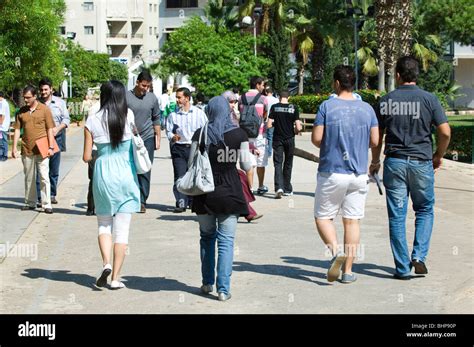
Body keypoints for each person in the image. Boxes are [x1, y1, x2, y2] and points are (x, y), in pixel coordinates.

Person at [370, 56, 451, 280]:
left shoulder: (386, 100)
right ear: (416, 75)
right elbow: (445, 132)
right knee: (424, 209)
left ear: (397, 75)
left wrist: (375, 162)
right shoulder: (430, 99)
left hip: (394, 162)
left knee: (397, 216)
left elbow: (377, 138)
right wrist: (438, 155)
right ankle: (419, 256)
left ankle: (403, 269)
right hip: (421, 162)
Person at [312, 65, 379, 284]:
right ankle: (348, 271)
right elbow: (375, 141)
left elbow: (316, 139)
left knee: (323, 217)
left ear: (337, 83)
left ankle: (335, 252)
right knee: (352, 222)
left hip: (332, 171)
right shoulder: (367, 109)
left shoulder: (326, 106)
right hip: (359, 174)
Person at [191, 96, 253, 301]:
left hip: (203, 193)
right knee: (226, 241)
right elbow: (245, 165)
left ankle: (207, 282)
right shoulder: (239, 134)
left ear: (209, 111)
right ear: (227, 111)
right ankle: (223, 290)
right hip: (230, 192)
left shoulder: (200, 134)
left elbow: (192, 162)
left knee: (207, 238)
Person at [83, 80, 140, 289]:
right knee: (122, 230)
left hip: (103, 174)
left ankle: (105, 263)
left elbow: (86, 156)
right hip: (125, 173)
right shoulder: (129, 115)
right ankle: (116, 278)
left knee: (104, 224)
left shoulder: (92, 119)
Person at [12, 85, 55, 214]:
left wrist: (51, 146)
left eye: (28, 97)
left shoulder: (45, 110)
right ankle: (30, 202)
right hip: (27, 149)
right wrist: (14, 147)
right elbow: (17, 129)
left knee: (44, 176)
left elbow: (50, 129)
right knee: (29, 177)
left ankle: (46, 204)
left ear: (35, 96)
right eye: (25, 97)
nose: (26, 100)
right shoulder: (22, 111)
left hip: (42, 149)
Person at [166, 87, 207, 213]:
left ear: (187, 98)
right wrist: (173, 137)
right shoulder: (173, 115)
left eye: (179, 97)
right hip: (178, 148)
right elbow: (168, 130)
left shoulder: (199, 113)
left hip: (194, 148)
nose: (177, 100)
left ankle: (193, 201)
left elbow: (205, 129)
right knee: (179, 175)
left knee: (194, 175)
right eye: (176, 97)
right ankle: (181, 202)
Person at [126, 70, 161, 213]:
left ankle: (142, 200)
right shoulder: (126, 97)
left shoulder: (152, 98)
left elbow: (156, 118)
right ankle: (131, 199)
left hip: (147, 138)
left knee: (145, 169)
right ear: (137, 83)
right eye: (143, 86)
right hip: (129, 138)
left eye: (148, 86)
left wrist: (157, 138)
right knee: (131, 169)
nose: (145, 89)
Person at [35, 78, 70, 205]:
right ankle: (40, 197)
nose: (43, 92)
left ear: (51, 89)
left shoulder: (60, 103)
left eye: (46, 89)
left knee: (53, 170)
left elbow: (66, 120)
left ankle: (52, 194)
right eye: (41, 90)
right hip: (41, 140)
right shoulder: (36, 104)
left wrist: (57, 129)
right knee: (40, 169)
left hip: (56, 139)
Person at [267, 90, 302, 198]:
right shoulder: (294, 107)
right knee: (288, 163)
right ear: (289, 97)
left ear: (279, 97)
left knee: (278, 163)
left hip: (277, 139)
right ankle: (287, 188)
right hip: (289, 139)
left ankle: (279, 187)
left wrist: (275, 123)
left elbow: (268, 125)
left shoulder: (274, 107)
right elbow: (299, 127)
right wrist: (296, 129)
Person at [238, 76, 269, 195]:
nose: (263, 87)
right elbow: (265, 115)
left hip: (244, 134)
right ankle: (260, 186)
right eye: (262, 85)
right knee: (261, 161)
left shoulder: (241, 98)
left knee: (249, 162)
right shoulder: (263, 99)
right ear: (257, 85)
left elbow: (240, 113)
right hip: (259, 134)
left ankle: (249, 188)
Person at [263, 87, 279, 157]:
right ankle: (269, 152)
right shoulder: (276, 100)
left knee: (264, 136)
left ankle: (265, 151)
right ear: (272, 92)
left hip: (265, 120)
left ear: (266, 92)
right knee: (271, 136)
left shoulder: (263, 99)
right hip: (273, 121)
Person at [0, 91, 11, 161]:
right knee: (1, 141)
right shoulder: (3, 103)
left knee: (3, 141)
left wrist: (0, 123)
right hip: (2, 126)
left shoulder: (3, 103)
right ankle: (1, 155)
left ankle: (5, 155)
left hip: (3, 126)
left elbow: (2, 116)